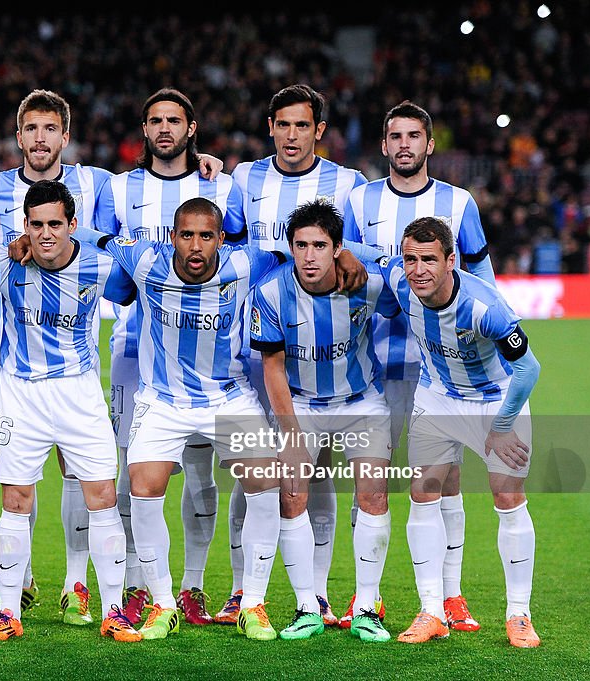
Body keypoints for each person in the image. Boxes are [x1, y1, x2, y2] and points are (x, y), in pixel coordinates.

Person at [43, 197, 370, 641]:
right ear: (172, 237)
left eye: (206, 236)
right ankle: (163, 602)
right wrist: (31, 238)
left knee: (265, 480)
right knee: (143, 485)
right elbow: (84, 234)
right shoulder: (143, 259)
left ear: (220, 238)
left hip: (227, 396)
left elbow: (299, 253)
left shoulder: (247, 262)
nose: (195, 246)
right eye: (186, 235)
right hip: (163, 400)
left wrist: (348, 251)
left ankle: (252, 603)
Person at [93, 88, 245, 625]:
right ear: (144, 129)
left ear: (191, 127)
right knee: (136, 470)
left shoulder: (220, 185)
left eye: (173, 120)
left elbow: (240, 257)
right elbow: (110, 265)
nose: (163, 129)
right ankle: (137, 584)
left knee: (202, 473)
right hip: (136, 349)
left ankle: (194, 586)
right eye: (154, 120)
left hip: (209, 357)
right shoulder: (118, 188)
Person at [342, 100, 496, 632]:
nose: (404, 144)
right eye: (395, 136)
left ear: (429, 144)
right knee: (373, 481)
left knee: (444, 480)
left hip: (442, 369)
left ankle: (449, 599)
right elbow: (348, 268)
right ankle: (368, 600)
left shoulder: (459, 203)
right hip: (371, 362)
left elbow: (482, 279)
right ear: (383, 145)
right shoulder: (360, 200)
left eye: (414, 135)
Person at [0, 180, 141, 643]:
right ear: (24, 225)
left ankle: (113, 612)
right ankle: (7, 612)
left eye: (55, 224)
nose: (46, 234)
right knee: (15, 501)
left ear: (73, 226)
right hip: (20, 393)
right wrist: (7, 247)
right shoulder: (5, 263)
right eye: (37, 224)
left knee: (102, 497)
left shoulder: (99, 266)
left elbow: (132, 289)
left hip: (79, 393)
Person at [225, 83, 369, 627]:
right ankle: (244, 589)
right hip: (253, 347)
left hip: (318, 355)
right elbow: (228, 241)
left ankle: (320, 591)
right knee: (254, 476)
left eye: (302, 125)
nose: (291, 135)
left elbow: (350, 250)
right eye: (282, 124)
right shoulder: (244, 178)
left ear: (319, 131)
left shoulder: (347, 183)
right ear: (270, 128)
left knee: (317, 474)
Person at [383, 217, 540, 649]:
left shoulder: (484, 306)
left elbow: (529, 368)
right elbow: (356, 256)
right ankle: (432, 609)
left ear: (451, 260)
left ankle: (518, 615)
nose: (418, 270)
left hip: (495, 400)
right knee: (423, 492)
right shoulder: (399, 283)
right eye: (410, 259)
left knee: (507, 499)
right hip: (436, 398)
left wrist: (503, 424)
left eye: (429, 260)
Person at [249, 199, 398, 643]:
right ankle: (306, 606)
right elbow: (271, 367)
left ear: (338, 248)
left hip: (361, 403)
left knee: (373, 495)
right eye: (300, 245)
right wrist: (291, 435)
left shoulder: (365, 281)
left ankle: (367, 607)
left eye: (319, 245)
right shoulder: (271, 292)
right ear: (290, 248)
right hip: (304, 405)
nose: (309, 255)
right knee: (291, 496)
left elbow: (405, 285)